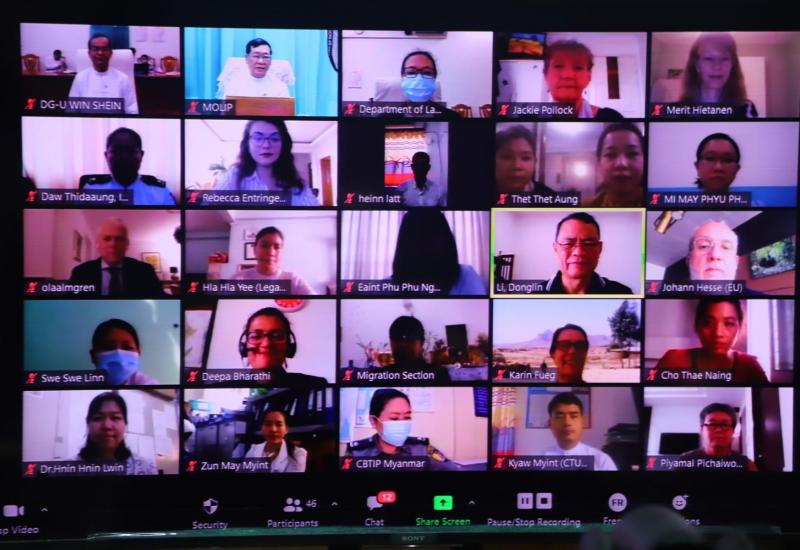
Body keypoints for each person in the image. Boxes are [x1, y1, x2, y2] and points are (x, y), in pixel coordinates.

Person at [654, 298, 768, 384]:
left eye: (728, 323)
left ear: (740, 327)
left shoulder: (749, 365)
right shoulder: (672, 359)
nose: (718, 333)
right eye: (708, 323)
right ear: (697, 326)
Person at [344, 388, 462, 470]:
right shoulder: (356, 452)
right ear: (373, 421)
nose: (402, 423)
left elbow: (452, 469)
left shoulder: (422, 448)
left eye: (407, 417)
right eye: (394, 418)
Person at [214, 119, 319, 206]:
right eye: (258, 138)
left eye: (275, 138)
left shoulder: (297, 186)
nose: (266, 145)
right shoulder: (232, 177)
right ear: (247, 144)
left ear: (283, 145)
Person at [391, 210, 486, 294]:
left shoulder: (465, 276)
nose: (426, 245)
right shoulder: (389, 286)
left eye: (432, 236)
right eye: (419, 238)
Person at [69, 218, 165, 298]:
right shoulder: (81, 272)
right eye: (107, 239)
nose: (113, 244)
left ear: (127, 244)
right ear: (97, 244)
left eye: (119, 239)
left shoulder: (145, 271)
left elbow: (160, 300)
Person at [81, 128, 176, 205]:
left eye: (131, 151)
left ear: (141, 155)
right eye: (116, 151)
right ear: (106, 156)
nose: (124, 157)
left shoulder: (160, 192)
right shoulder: (91, 189)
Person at [545, 212, 633, 294]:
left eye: (588, 244)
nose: (579, 252)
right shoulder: (538, 293)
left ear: (600, 249)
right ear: (555, 248)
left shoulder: (622, 293)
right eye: (568, 243)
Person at [238, 307, 326, 385]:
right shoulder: (231, 384)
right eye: (256, 336)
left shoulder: (316, 384)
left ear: (289, 346)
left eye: (277, 336)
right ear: (244, 346)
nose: (266, 344)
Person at [74, 392, 157, 475]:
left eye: (115, 417)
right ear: (88, 423)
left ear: (125, 424)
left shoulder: (147, 468)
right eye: (98, 418)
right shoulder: (70, 467)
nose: (107, 426)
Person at [679, 33, 757, 118]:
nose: (717, 66)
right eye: (709, 59)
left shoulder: (746, 108)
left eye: (724, 59)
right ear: (697, 64)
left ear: (732, 64)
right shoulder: (678, 110)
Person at [543, 40, 623, 120]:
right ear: (545, 75)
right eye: (558, 66)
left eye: (578, 67)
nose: (568, 75)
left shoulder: (612, 117)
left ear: (589, 77)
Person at [539, 392, 618, 471]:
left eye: (573, 416)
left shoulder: (601, 460)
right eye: (559, 417)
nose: (567, 422)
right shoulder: (538, 460)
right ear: (550, 424)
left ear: (582, 422)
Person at [69, 34, 139, 114]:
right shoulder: (80, 78)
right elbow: (72, 110)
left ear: (110, 53)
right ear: (89, 53)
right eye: (95, 49)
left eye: (104, 49)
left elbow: (132, 110)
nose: (100, 53)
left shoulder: (123, 79)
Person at [232, 227, 315, 294]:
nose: (271, 252)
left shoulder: (293, 280)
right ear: (254, 249)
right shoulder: (238, 279)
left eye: (277, 247)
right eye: (265, 245)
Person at [364, 316, 450, 381]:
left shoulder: (439, 374)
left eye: (409, 339)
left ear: (422, 343)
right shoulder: (379, 376)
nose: (403, 344)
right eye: (398, 339)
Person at [679, 403, 758, 471]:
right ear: (701, 430)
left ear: (733, 431)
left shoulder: (747, 465)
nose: (718, 430)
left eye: (724, 425)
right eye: (712, 424)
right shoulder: (685, 461)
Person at [584, 123, 645, 207]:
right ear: (598, 163)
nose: (621, 163)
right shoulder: (584, 207)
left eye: (632, 153)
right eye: (611, 154)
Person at [90, 319, 159, 385]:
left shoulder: (149, 385)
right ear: (93, 356)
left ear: (138, 353)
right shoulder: (85, 382)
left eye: (127, 347)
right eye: (108, 347)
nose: (118, 354)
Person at [397, 50, 461, 120]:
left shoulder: (453, 118)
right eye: (411, 72)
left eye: (427, 72)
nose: (419, 79)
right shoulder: (388, 118)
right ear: (402, 77)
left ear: (434, 78)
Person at [494, 125, 557, 196]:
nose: (517, 166)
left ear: (535, 162)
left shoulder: (550, 197)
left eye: (526, 158)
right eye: (507, 157)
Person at [220, 38, 290, 98]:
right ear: (246, 59)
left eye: (265, 57)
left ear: (271, 60)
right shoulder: (234, 85)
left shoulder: (280, 87)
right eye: (256, 56)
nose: (261, 61)